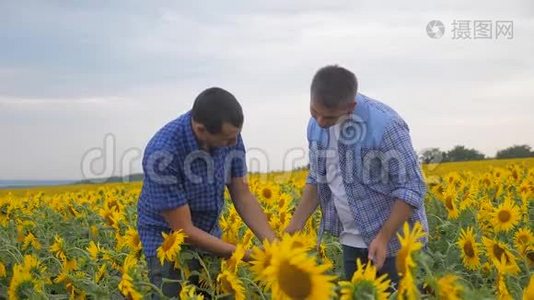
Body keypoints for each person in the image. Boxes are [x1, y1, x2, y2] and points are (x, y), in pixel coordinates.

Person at [286, 65, 429, 288]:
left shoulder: (385, 125)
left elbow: (411, 188)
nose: (321, 121)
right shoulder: (315, 126)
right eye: (315, 112)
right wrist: (293, 228)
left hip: (396, 245)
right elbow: (317, 178)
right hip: (351, 240)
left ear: (350, 107)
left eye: (329, 116)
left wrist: (383, 237)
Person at [137, 87, 276, 297]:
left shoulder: (230, 136)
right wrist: (245, 255)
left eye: (236, 136)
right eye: (228, 139)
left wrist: (272, 244)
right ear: (201, 130)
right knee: (172, 292)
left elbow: (242, 194)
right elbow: (184, 231)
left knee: (213, 291)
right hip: (166, 239)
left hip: (208, 231)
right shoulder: (162, 153)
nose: (234, 143)